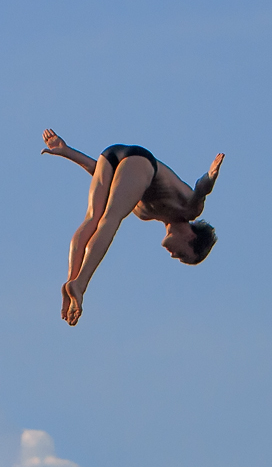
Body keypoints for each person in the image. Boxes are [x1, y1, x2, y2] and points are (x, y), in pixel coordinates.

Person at [42, 129, 225, 326]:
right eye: (182, 255)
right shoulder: (189, 210)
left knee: (93, 218)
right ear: (191, 238)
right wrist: (211, 176)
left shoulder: (146, 213)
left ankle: (72, 280)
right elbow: (200, 190)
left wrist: (67, 152)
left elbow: (111, 177)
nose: (174, 255)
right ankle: (80, 284)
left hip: (111, 155)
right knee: (109, 219)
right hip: (141, 160)